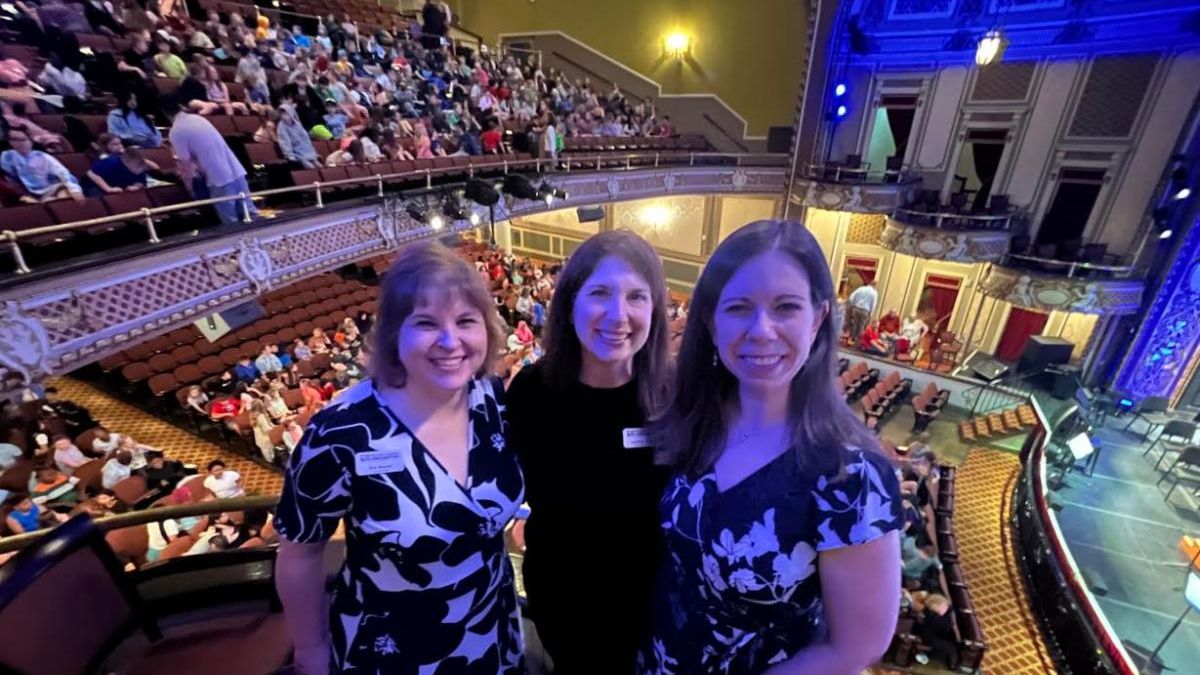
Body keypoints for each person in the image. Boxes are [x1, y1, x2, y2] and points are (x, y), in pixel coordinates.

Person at [640, 220, 903, 674]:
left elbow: (855, 648)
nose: (762, 330)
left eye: (786, 307)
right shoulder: (693, 420)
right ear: (711, 321)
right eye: (739, 308)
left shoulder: (852, 477)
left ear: (818, 318)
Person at [275, 241, 523, 675]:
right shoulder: (340, 433)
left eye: (466, 321)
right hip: (392, 646)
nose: (451, 341)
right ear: (393, 333)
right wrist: (310, 649)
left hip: (490, 627)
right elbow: (300, 554)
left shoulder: (492, 403)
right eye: (426, 323)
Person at [507, 230, 672, 674]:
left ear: (655, 310)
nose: (619, 315)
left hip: (658, 610)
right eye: (600, 293)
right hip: (562, 603)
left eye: (637, 296)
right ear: (570, 303)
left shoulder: (674, 395)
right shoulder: (531, 391)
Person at [163, 95, 257, 224]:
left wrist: (190, 188)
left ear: (164, 112)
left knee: (231, 222)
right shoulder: (199, 119)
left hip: (218, 178)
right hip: (236, 171)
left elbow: (185, 164)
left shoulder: (176, 131)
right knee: (250, 215)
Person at [1, 129, 84, 202]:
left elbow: (63, 173)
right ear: (9, 142)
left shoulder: (42, 156)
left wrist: (75, 190)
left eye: (23, 140)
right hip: (24, 194)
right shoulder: (5, 157)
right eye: (14, 140)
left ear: (30, 142)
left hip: (51, 189)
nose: (20, 143)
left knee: (65, 195)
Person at [82, 145, 150, 196]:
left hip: (119, 188)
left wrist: (136, 186)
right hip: (94, 186)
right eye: (139, 164)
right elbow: (91, 173)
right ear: (127, 162)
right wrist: (108, 188)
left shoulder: (139, 169)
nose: (143, 167)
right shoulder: (111, 162)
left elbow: (141, 181)